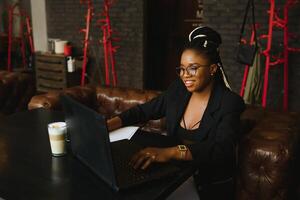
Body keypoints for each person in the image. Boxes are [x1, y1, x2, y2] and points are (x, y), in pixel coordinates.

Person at [107, 26, 245, 200]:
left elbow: (222, 149)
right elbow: (144, 111)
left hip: (205, 186)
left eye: (193, 68)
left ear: (212, 69)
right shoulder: (179, 90)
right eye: (181, 69)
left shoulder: (229, 102)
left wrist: (171, 152)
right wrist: (107, 125)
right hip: (174, 176)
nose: (185, 75)